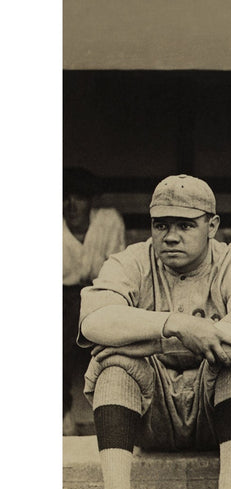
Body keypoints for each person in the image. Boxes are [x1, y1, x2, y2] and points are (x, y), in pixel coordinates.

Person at [78, 175, 231, 489]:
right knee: (113, 364)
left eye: (186, 225)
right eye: (161, 224)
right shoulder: (130, 261)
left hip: (215, 413)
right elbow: (93, 322)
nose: (170, 236)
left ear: (212, 226)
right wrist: (177, 325)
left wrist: (141, 335)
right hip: (152, 413)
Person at [63, 167, 125, 434]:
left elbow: (117, 267)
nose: (71, 205)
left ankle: (116, 412)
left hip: (101, 292)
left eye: (79, 198)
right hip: (61, 298)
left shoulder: (109, 221)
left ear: (91, 201)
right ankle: (63, 416)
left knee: (116, 345)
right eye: (64, 197)